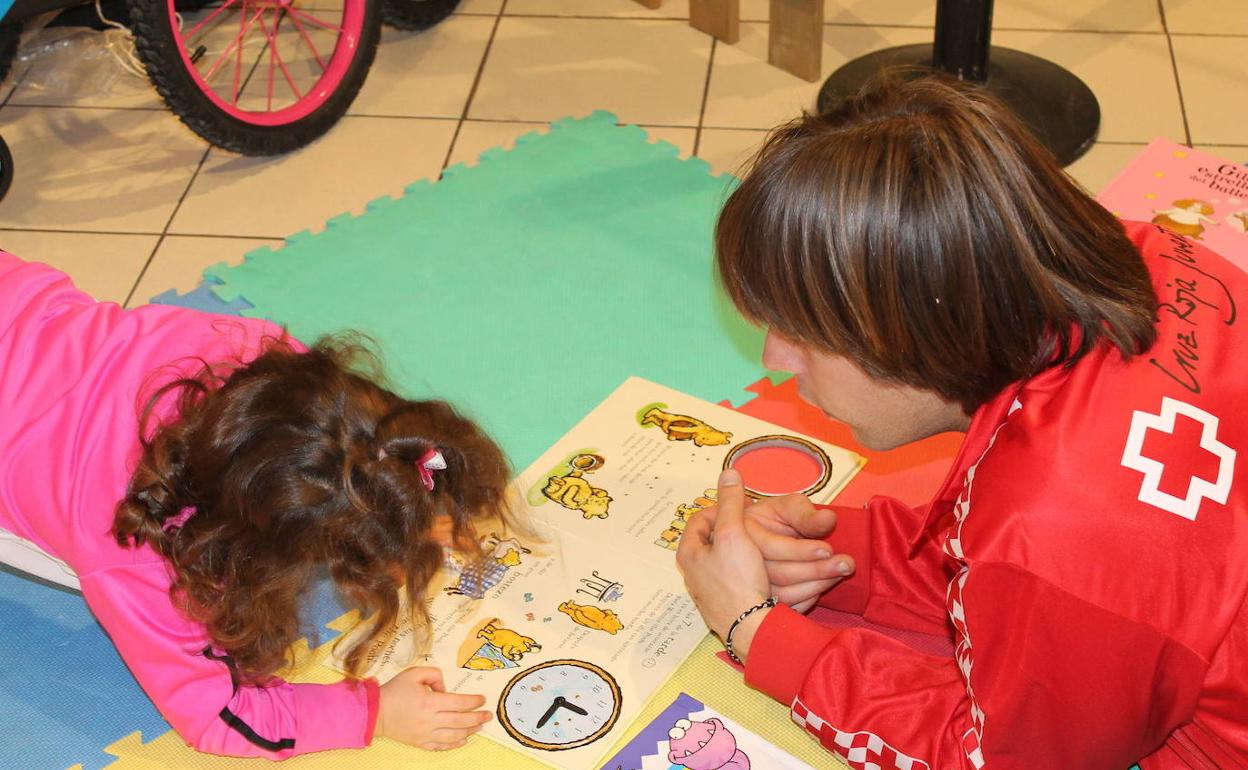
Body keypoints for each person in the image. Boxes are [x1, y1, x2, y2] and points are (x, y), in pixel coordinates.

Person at [676, 73, 1247, 769]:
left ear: (915, 327)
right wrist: (834, 551)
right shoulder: (1148, 254)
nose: (776, 361)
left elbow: (1001, 758)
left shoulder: (1052, 528)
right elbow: (1047, 560)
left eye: (807, 334)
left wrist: (754, 632)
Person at [0, 253, 516, 758]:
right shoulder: (143, 551)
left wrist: (413, 511)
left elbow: (357, 449)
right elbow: (218, 717)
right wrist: (374, 712)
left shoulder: (264, 358)